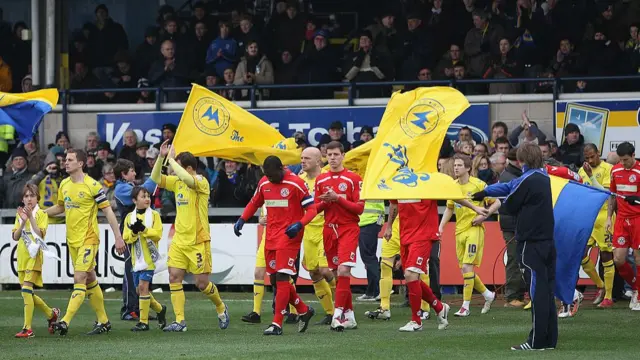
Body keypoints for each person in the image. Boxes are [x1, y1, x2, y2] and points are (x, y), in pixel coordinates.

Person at [474, 143, 557, 351]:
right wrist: (484, 191)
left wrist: (485, 197)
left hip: (531, 244)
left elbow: (510, 202)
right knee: (546, 293)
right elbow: (509, 187)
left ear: (521, 160)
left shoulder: (528, 180)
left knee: (537, 293)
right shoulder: (543, 176)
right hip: (547, 242)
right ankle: (549, 340)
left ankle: (536, 341)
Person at [151, 140, 230, 332]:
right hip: (179, 241)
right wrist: (162, 158)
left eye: (176, 166)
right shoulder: (177, 182)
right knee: (174, 277)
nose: (172, 170)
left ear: (187, 168)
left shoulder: (200, 182)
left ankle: (220, 306)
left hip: (198, 241)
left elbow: (187, 179)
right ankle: (180, 321)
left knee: (202, 284)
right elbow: (156, 179)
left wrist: (171, 160)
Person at [234, 156, 317, 335]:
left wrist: (300, 224)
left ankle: (276, 324)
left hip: (289, 237)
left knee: (281, 277)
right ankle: (304, 310)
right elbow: (255, 202)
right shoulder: (264, 183)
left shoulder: (296, 183)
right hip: (270, 236)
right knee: (274, 280)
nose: (270, 179)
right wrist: (242, 218)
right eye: (268, 176)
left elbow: (312, 209)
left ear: (282, 168)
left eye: (273, 176)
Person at [47, 149, 126, 336]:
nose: (65, 163)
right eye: (65, 160)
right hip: (72, 240)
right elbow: (60, 206)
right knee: (90, 278)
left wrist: (118, 236)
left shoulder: (92, 186)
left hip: (89, 239)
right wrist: (40, 213)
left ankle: (65, 321)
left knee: (79, 277)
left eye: (70, 160)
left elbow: (107, 212)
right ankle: (104, 322)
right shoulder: (64, 184)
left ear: (80, 163)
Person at [439, 154, 500, 317]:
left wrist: (484, 216)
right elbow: (450, 208)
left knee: (467, 267)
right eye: (454, 166)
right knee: (465, 270)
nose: (456, 168)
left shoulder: (478, 184)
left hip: (475, 229)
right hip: (459, 231)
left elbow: (497, 202)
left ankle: (465, 306)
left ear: (467, 168)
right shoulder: (452, 185)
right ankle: (488, 294)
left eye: (459, 165)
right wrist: (441, 226)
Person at [314, 141, 364, 331]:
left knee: (344, 270)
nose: (332, 158)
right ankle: (349, 315)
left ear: (343, 155)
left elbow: (359, 209)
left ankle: (338, 315)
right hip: (329, 230)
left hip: (348, 228)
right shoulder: (321, 180)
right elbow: (317, 208)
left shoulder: (353, 178)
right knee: (336, 273)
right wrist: (325, 202)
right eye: (329, 155)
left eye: (336, 154)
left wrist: (339, 199)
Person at [385, 197, 452, 332]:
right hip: (406, 234)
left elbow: (454, 197)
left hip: (424, 235)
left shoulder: (428, 180)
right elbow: (393, 203)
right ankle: (439, 307)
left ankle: (416, 320)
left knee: (410, 274)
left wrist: (475, 208)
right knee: (411, 277)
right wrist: (389, 226)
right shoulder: (401, 180)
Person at [12, 184, 60, 338]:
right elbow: (15, 236)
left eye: (31, 195)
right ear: (22, 199)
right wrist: (22, 221)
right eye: (26, 196)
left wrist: (31, 218)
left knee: (26, 290)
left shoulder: (41, 214)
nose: (29, 199)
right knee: (27, 293)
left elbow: (40, 234)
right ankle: (51, 313)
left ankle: (27, 329)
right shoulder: (19, 214)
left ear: (37, 197)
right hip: (22, 256)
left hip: (34, 256)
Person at [113, 158, 157, 321]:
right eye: (131, 170)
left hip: (140, 235)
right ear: (124, 174)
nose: (134, 172)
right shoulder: (121, 189)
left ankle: (140, 308)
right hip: (130, 236)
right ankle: (129, 309)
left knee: (142, 271)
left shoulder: (128, 186)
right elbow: (148, 188)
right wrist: (159, 162)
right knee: (131, 273)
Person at [298, 148, 336, 324]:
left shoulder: (328, 177)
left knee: (325, 269)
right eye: (301, 158)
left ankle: (343, 307)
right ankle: (330, 312)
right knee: (313, 272)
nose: (302, 161)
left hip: (325, 227)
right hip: (308, 230)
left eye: (306, 158)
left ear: (318, 161)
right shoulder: (300, 180)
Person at [122, 186, 167, 331]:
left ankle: (144, 322)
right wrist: (134, 232)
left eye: (148, 196)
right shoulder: (129, 217)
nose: (147, 199)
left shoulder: (154, 215)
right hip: (136, 261)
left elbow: (158, 234)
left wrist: (144, 230)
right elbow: (126, 238)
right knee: (140, 290)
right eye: (143, 196)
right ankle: (160, 310)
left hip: (149, 260)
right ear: (135, 200)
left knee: (143, 287)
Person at [577, 144, 615, 309]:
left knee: (606, 256)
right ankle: (600, 285)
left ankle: (608, 295)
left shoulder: (608, 169)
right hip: (587, 218)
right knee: (581, 254)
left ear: (598, 153)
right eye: (587, 158)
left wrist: (592, 176)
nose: (590, 160)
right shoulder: (580, 171)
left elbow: (606, 193)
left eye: (593, 156)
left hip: (604, 217)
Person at [607, 142, 640, 311]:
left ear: (633, 156)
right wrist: (608, 218)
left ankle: (639, 295)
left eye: (626, 160)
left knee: (638, 256)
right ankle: (636, 287)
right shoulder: (615, 170)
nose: (623, 163)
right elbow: (612, 196)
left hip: (638, 219)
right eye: (621, 160)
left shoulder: (639, 171)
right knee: (619, 260)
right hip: (621, 220)